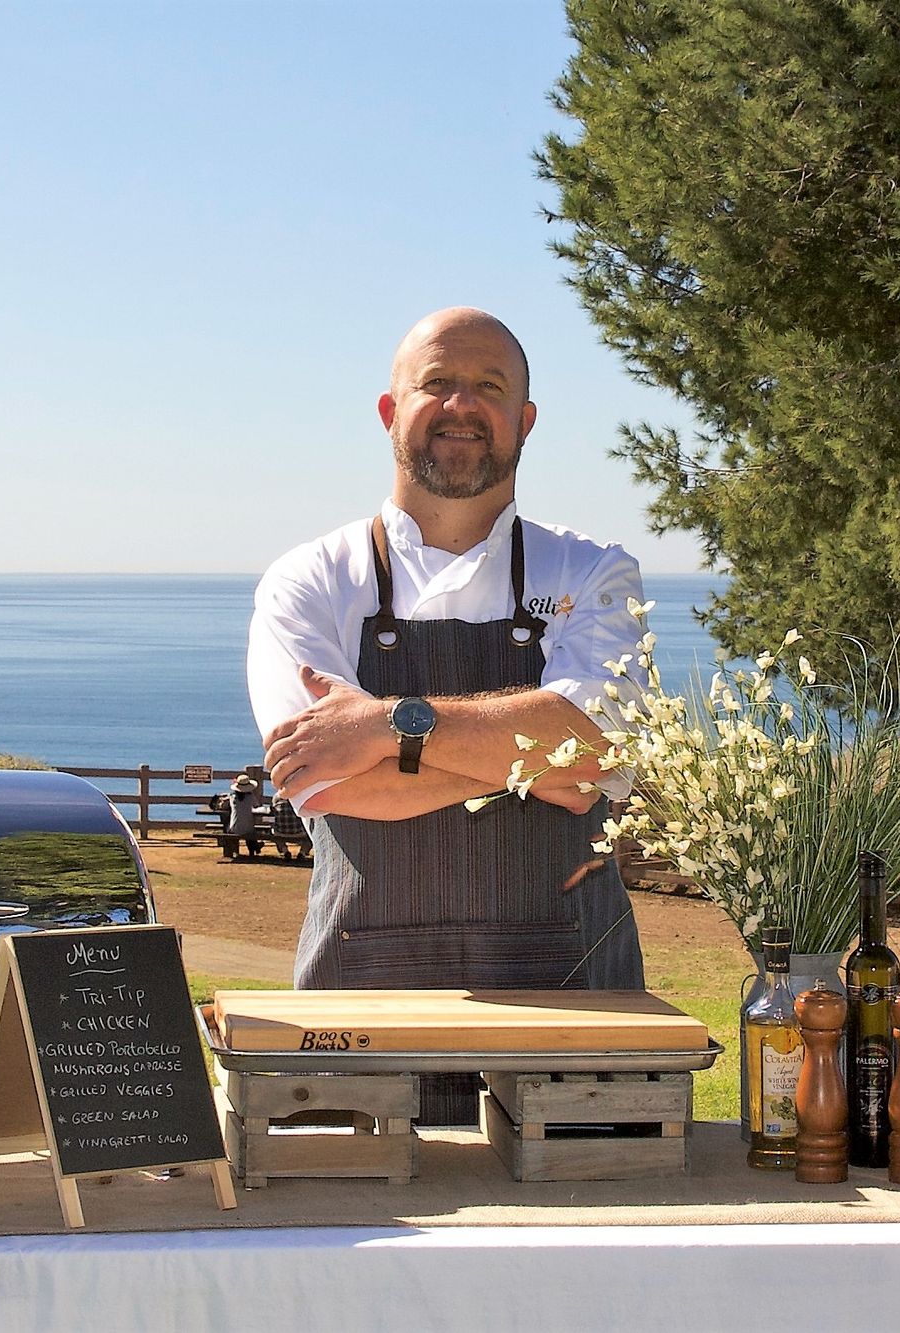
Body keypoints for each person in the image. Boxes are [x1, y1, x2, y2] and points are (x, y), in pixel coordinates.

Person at [249, 307, 647, 1119]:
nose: (462, 404)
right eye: (436, 383)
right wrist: (530, 761)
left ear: (524, 421)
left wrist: (378, 725)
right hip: (359, 1004)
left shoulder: (597, 570)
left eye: (489, 387)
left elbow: (594, 759)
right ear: (391, 410)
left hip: (573, 1000)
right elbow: (323, 784)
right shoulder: (308, 582)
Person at [214, 774, 266, 860]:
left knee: (230, 824)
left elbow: (222, 806)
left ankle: (233, 850)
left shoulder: (233, 797)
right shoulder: (250, 796)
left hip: (234, 829)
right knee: (249, 829)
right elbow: (256, 805)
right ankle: (254, 848)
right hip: (249, 829)